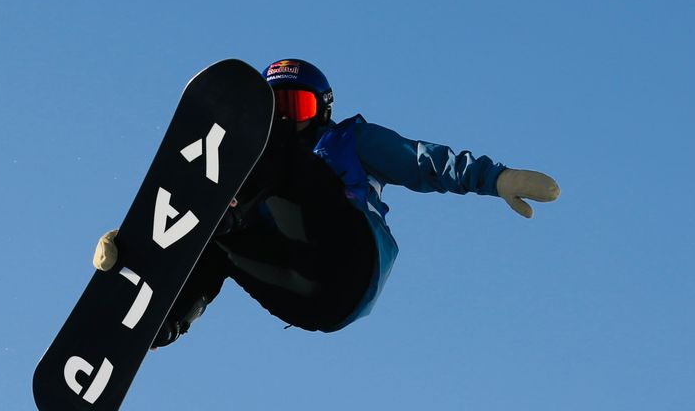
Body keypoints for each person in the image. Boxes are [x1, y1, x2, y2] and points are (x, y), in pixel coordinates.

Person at [94, 58, 559, 347]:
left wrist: (495, 178)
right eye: (272, 109)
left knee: (274, 162)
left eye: (295, 109)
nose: (282, 120)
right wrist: (142, 246)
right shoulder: (248, 178)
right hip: (311, 301)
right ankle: (159, 324)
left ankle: (216, 220)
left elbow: (424, 163)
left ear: (323, 110)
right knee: (214, 235)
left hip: (350, 262)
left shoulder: (347, 142)